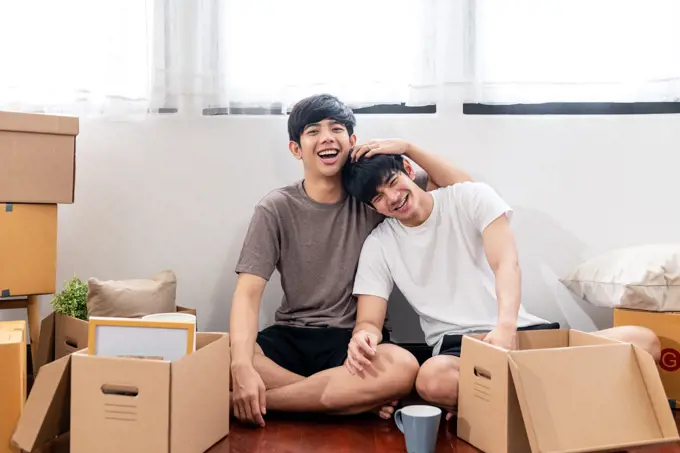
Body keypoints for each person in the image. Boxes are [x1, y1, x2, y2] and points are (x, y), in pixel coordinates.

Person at [341, 153, 662, 420]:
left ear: (408, 170)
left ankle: (495, 406)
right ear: (372, 208)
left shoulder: (469, 196)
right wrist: (363, 336)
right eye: (378, 198)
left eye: (393, 183)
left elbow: (505, 264)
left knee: (643, 341)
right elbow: (369, 320)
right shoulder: (380, 243)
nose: (393, 198)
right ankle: (561, 402)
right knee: (431, 380)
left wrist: (505, 328)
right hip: (459, 351)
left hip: (523, 333)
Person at [229, 93, 473, 427]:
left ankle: (267, 402)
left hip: (352, 342)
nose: (327, 137)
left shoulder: (376, 195)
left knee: (403, 367)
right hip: (291, 335)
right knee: (228, 356)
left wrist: (409, 147)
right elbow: (247, 293)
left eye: (336, 129)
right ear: (296, 149)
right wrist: (242, 367)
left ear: (352, 141)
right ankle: (344, 400)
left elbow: (467, 192)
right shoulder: (275, 207)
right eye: (313, 131)